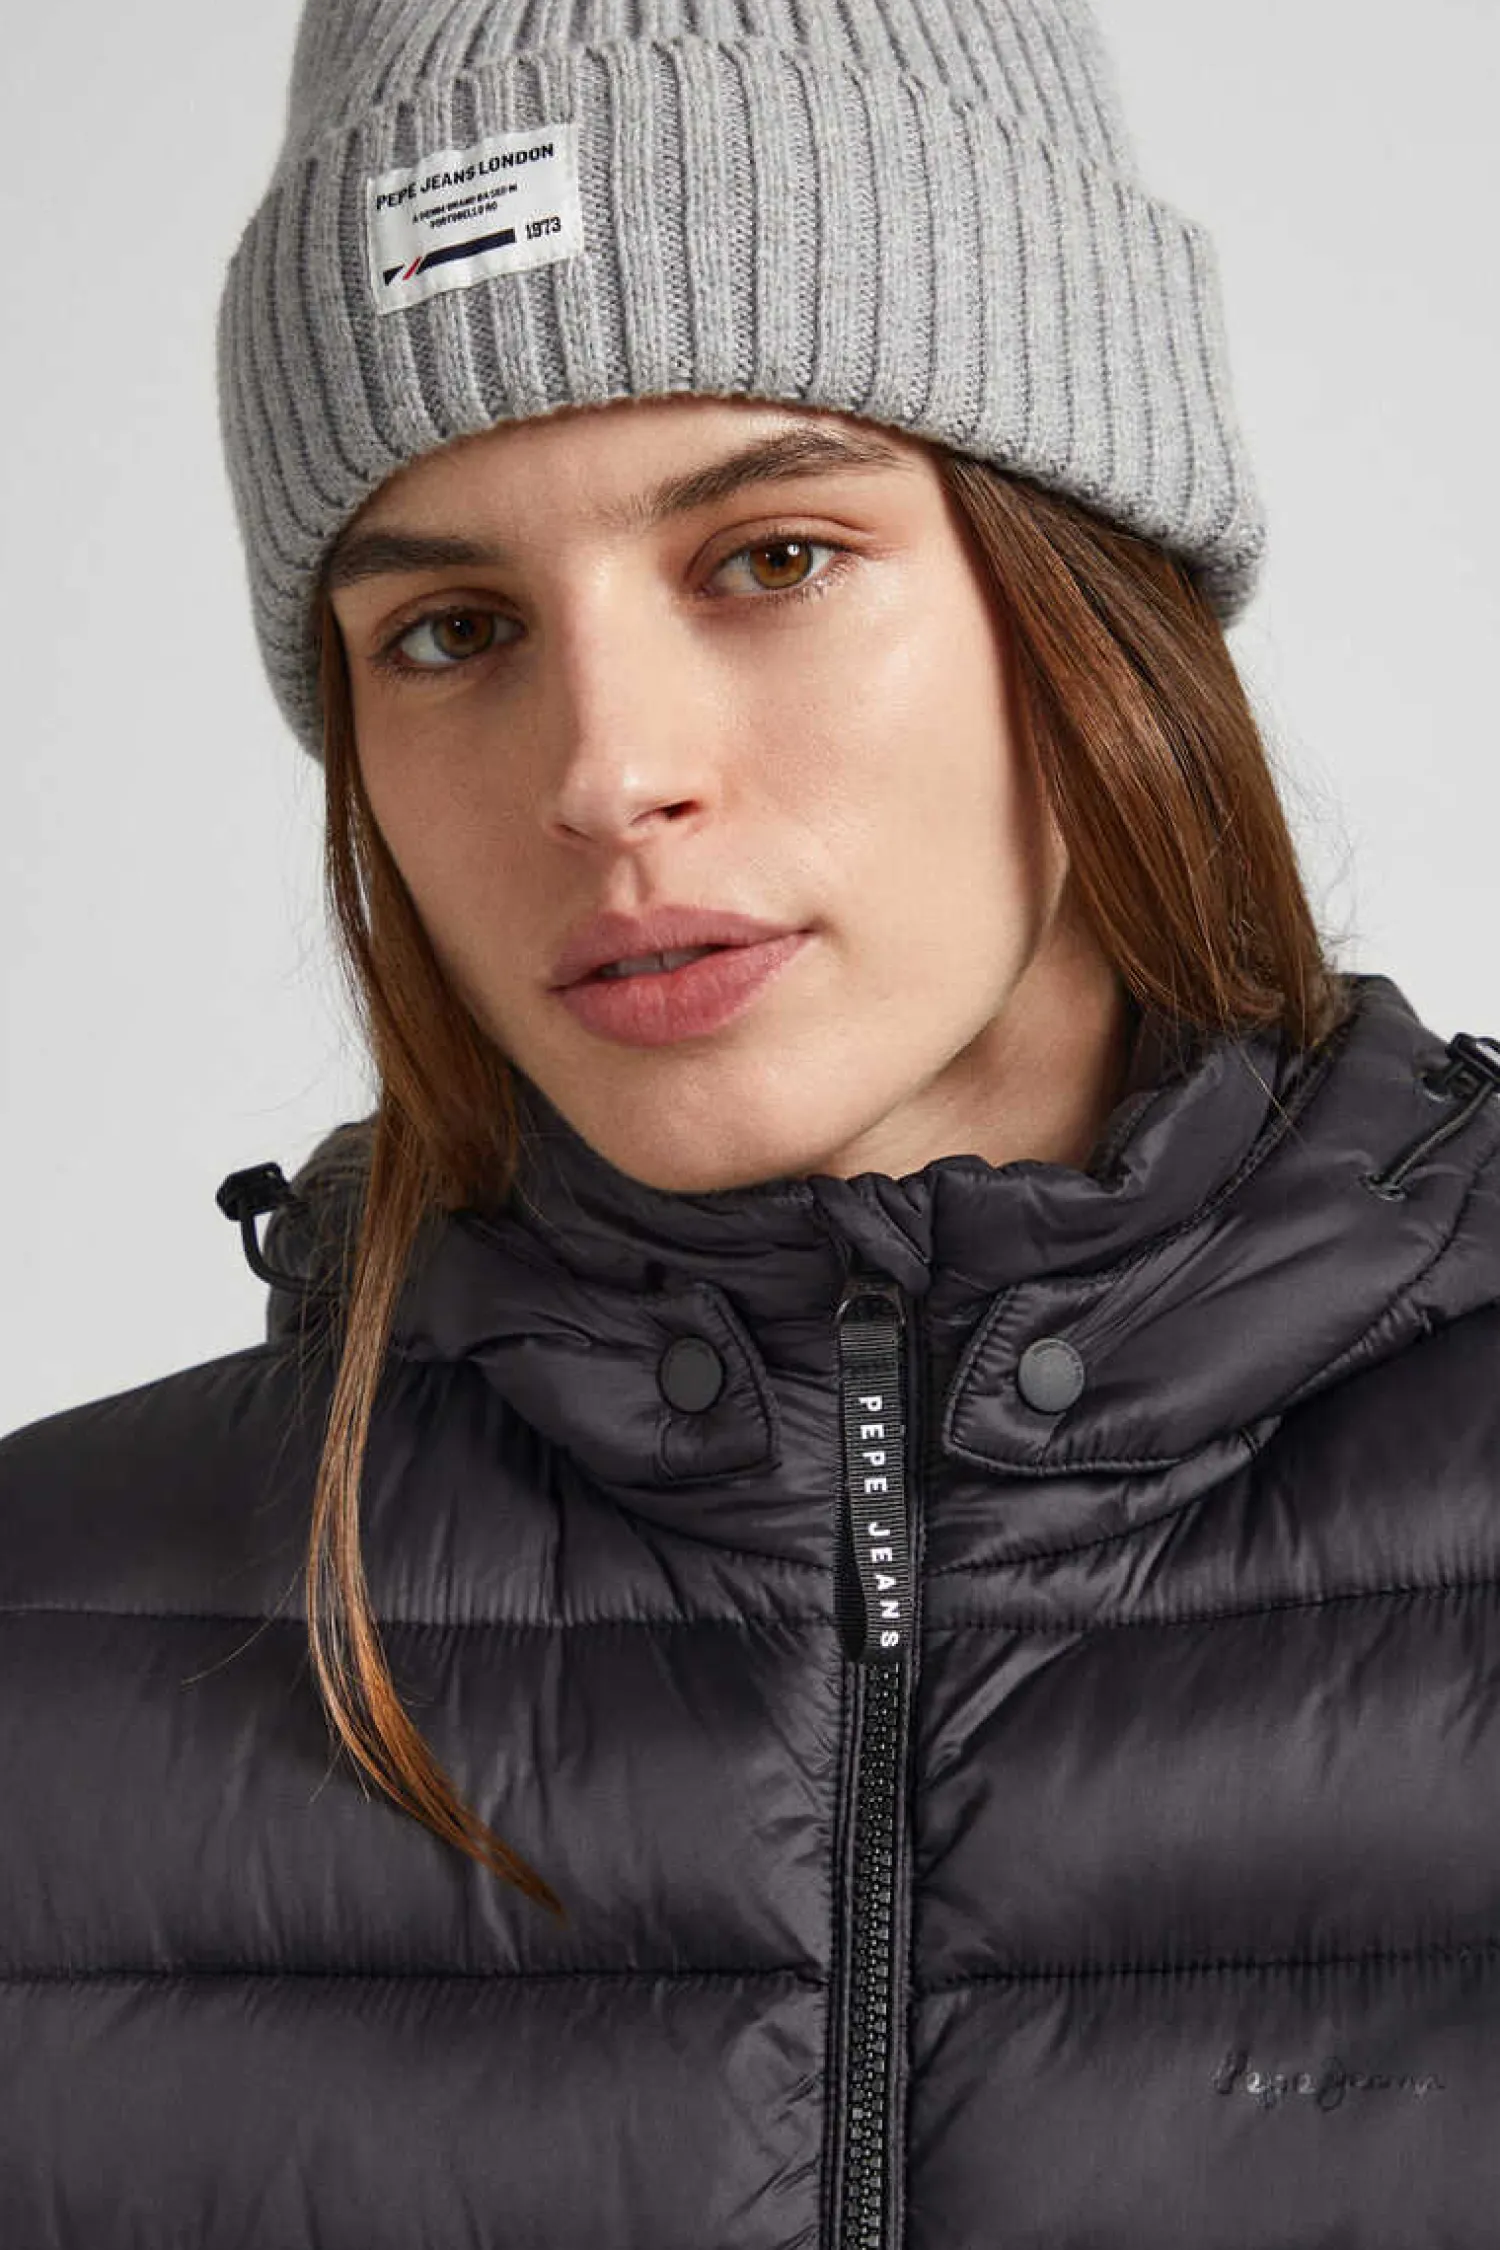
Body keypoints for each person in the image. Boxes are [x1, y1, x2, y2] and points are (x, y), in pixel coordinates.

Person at [3, 0, 1498, 2242]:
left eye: (772, 556)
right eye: (452, 630)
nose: (606, 774)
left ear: (1091, 593)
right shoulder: (44, 1643)